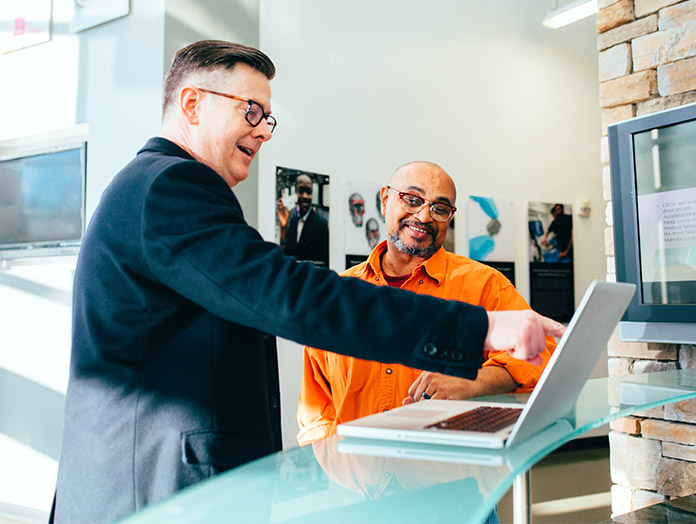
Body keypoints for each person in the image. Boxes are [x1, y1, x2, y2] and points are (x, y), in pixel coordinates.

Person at [50, 40, 564, 524]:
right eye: (250, 110)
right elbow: (291, 295)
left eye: (267, 117)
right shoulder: (170, 185)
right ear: (191, 104)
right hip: (155, 490)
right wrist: (481, 329)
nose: (264, 130)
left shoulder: (158, 187)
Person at [297, 162, 557, 446]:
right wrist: (331, 469)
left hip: (448, 475)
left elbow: (542, 354)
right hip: (356, 479)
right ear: (385, 200)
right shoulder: (340, 294)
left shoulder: (485, 285)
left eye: (440, 208)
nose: (423, 216)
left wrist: (472, 382)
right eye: (412, 199)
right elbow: (316, 407)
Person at [276, 173, 329, 267]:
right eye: (301, 190)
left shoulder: (321, 224)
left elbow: (324, 262)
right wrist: (283, 228)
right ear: (296, 192)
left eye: (308, 192)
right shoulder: (293, 221)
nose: (305, 196)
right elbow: (286, 255)